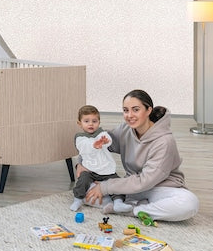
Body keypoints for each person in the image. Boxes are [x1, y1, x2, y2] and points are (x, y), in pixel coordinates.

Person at [83, 90, 199, 222]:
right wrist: (81, 163)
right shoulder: (125, 129)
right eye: (126, 110)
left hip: (160, 188)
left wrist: (106, 187)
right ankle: (131, 205)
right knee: (84, 193)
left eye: (136, 110)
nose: (129, 115)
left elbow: (145, 181)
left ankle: (133, 210)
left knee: (189, 203)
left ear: (148, 110)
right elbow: (98, 143)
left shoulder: (164, 141)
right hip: (132, 187)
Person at [70, 105, 133, 213]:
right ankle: (78, 199)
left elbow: (108, 140)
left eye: (94, 121)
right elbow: (83, 147)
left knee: (117, 182)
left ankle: (118, 202)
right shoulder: (80, 137)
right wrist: (94, 145)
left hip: (106, 171)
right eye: (86, 121)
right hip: (90, 170)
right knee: (83, 180)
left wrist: (104, 141)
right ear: (79, 123)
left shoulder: (101, 133)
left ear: (99, 122)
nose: (91, 124)